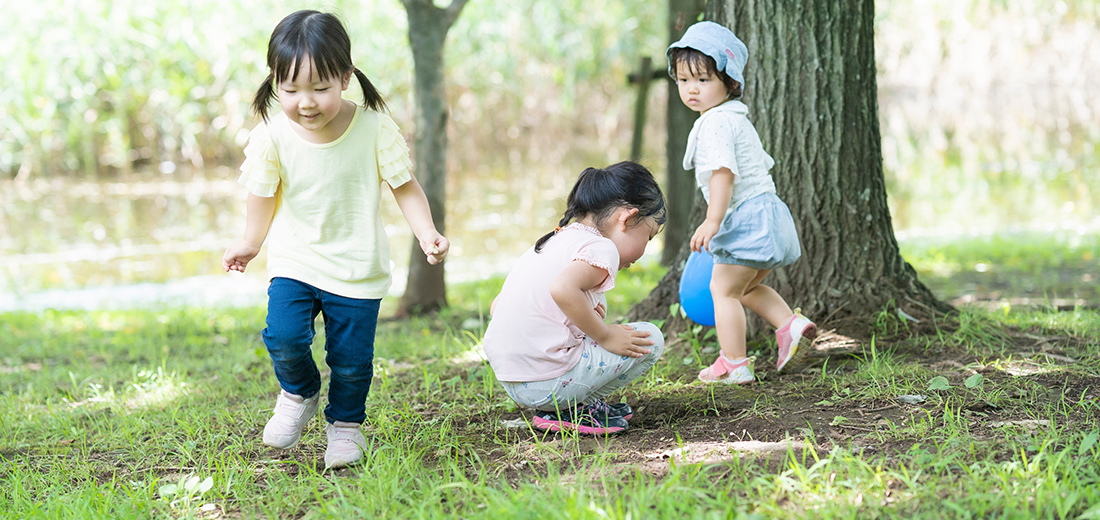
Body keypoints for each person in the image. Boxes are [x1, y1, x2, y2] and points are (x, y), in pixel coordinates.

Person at [222, 10, 448, 469]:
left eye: (319, 88)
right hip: (295, 261)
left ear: (345, 78)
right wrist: (251, 242)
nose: (305, 102)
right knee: (283, 337)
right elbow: (262, 194)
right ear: (275, 82)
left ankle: (345, 427)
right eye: (290, 90)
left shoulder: (373, 128)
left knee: (350, 362)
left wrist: (427, 233)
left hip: (356, 267)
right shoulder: (273, 135)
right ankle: (298, 391)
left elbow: (405, 187)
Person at [667, 21, 817, 384]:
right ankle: (789, 324)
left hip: (745, 217)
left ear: (729, 83)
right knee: (744, 288)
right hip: (768, 215)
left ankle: (734, 363)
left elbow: (723, 173)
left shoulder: (716, 123)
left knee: (723, 290)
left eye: (703, 80)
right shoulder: (733, 119)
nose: (692, 89)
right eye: (684, 80)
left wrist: (713, 220)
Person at [482, 162, 667, 435]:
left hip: (513, 378)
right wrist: (604, 335)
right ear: (627, 219)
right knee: (650, 338)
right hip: (547, 382)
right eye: (648, 237)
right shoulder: (602, 247)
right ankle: (574, 408)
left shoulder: (554, 241)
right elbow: (562, 290)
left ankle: (573, 406)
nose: (644, 249)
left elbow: (498, 306)